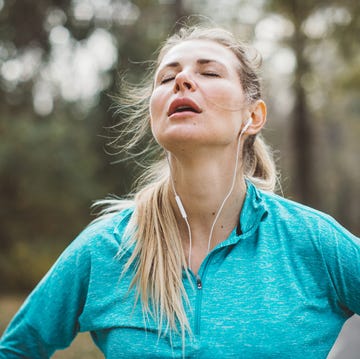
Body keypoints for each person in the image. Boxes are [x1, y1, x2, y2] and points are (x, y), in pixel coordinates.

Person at [0, 24, 359, 359]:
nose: (183, 80)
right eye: (168, 77)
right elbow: (16, 348)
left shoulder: (312, 242)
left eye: (209, 72)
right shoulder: (107, 246)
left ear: (253, 116)